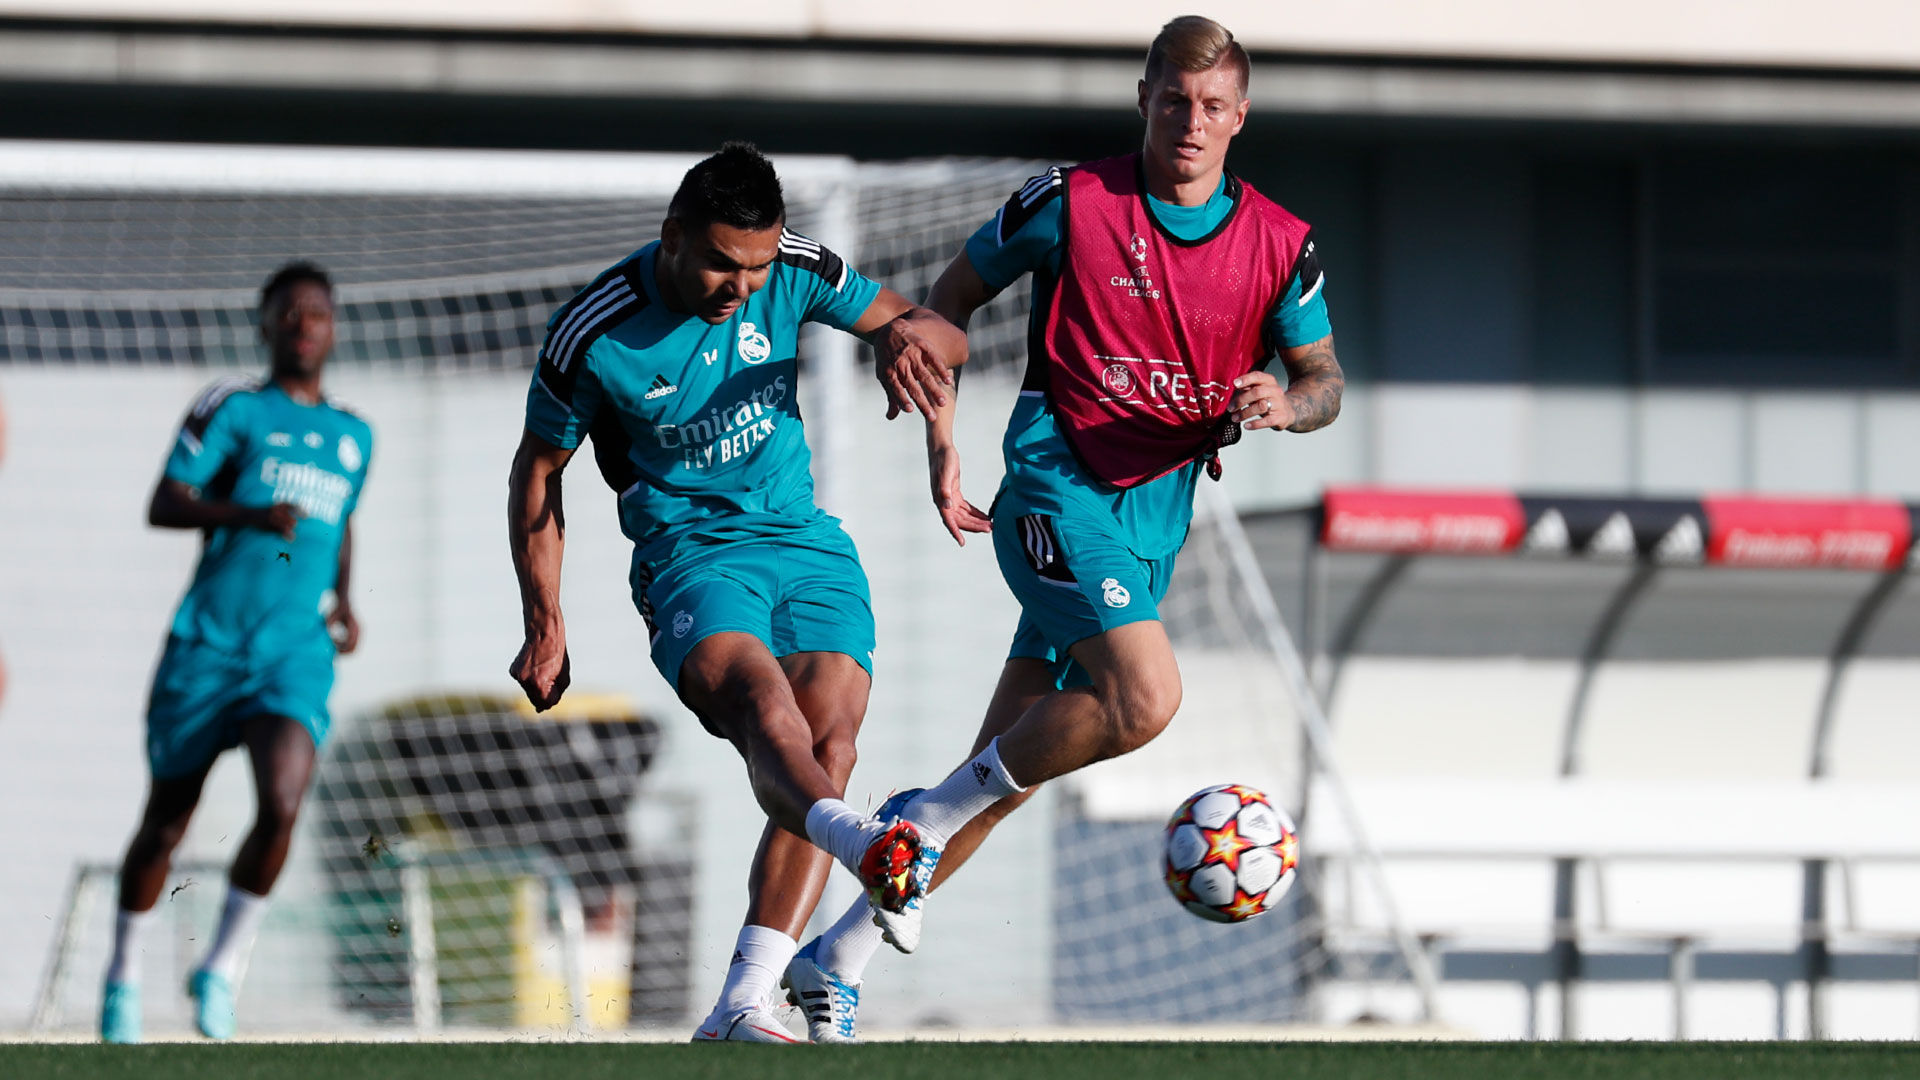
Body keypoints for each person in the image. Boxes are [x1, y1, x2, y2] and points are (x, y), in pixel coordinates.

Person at [781, 15, 1346, 1043]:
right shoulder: (1068, 203)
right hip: (1053, 490)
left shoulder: (1279, 244)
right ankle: (923, 815)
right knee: (1146, 696)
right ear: (1144, 98)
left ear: (1241, 118)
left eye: (1213, 106)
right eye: (1174, 99)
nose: (1190, 122)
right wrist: (925, 374)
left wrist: (1285, 400)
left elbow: (1324, 381)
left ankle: (838, 956)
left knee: (1009, 771)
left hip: (1148, 527)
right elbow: (948, 309)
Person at [504, 143, 966, 1043]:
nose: (741, 286)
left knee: (831, 744)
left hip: (804, 542)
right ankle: (872, 849)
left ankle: (742, 1003)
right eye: (721, 261)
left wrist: (908, 355)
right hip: (692, 558)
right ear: (673, 235)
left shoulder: (794, 269)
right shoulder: (595, 331)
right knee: (765, 707)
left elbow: (935, 332)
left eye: (757, 265)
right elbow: (539, 473)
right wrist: (545, 620)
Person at [101, 262, 373, 1043]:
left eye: (317, 313)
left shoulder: (355, 434)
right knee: (165, 824)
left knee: (283, 803)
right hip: (209, 645)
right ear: (264, 324)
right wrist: (247, 515)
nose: (303, 325)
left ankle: (219, 967)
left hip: (292, 651)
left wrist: (345, 598)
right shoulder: (232, 408)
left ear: (332, 326)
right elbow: (166, 501)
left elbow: (339, 520)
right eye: (288, 313)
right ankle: (121, 977)